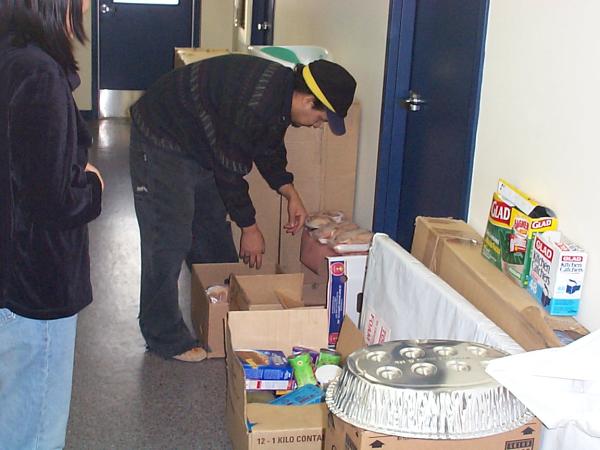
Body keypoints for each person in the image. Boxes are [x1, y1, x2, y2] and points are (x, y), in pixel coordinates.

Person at [129, 54, 356, 362]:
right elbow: (229, 173)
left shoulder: (280, 94)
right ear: (307, 100)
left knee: (210, 229)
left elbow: (268, 147)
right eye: (320, 119)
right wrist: (250, 228)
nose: (318, 126)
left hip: (199, 141)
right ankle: (164, 337)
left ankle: (220, 316)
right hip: (162, 135)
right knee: (168, 237)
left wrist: (290, 192)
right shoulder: (255, 103)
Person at [0, 0, 104, 448]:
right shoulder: (38, 74)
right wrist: (93, 187)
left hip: (11, 272)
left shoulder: (10, 55)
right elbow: (51, 201)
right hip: (37, 286)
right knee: (35, 427)